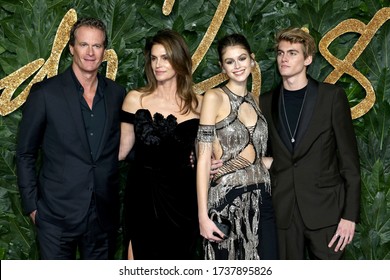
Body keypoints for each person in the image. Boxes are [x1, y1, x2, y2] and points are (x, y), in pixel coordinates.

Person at [16, 18, 126, 259]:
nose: (90, 52)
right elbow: (25, 153)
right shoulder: (45, 94)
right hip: (56, 217)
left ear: (104, 51)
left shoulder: (117, 94)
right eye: (83, 44)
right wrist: (33, 207)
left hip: (102, 217)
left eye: (96, 46)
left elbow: (130, 144)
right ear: (71, 48)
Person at [259, 27, 361, 259]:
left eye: (292, 53)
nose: (284, 58)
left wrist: (350, 216)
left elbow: (350, 162)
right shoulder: (265, 102)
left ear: (308, 59)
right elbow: (263, 152)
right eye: (281, 53)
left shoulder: (331, 97)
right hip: (283, 212)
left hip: (326, 213)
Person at [119, 29, 202, 260]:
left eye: (165, 58)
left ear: (179, 59)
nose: (158, 64)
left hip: (184, 200)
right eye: (154, 58)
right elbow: (122, 151)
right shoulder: (136, 98)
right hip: (143, 194)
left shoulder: (199, 104)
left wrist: (207, 161)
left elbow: (208, 152)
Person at [196, 34, 278, 260]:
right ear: (222, 67)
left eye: (242, 58)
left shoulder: (256, 101)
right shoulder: (214, 97)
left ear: (252, 60)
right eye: (230, 61)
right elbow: (204, 158)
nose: (237, 66)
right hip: (226, 203)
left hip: (263, 199)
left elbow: (260, 156)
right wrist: (203, 216)